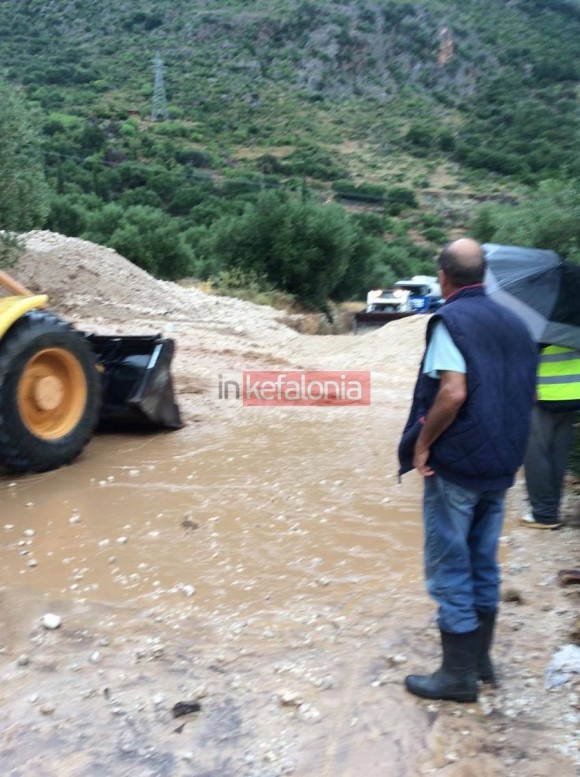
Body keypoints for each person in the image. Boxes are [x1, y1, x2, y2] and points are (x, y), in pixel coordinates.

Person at [398, 238, 538, 703]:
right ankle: (480, 661)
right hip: (502, 463)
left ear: (443, 277)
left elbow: (452, 393)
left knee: (449, 566)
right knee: (483, 561)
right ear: (483, 276)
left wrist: (422, 445)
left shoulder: (450, 320)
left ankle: (457, 677)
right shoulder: (518, 323)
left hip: (457, 464)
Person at [521, 345, 580, 530]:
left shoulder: (544, 327)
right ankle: (551, 509)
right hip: (573, 392)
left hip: (543, 394)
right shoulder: (572, 323)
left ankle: (543, 514)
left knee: (536, 454)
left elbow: (525, 357)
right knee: (558, 453)